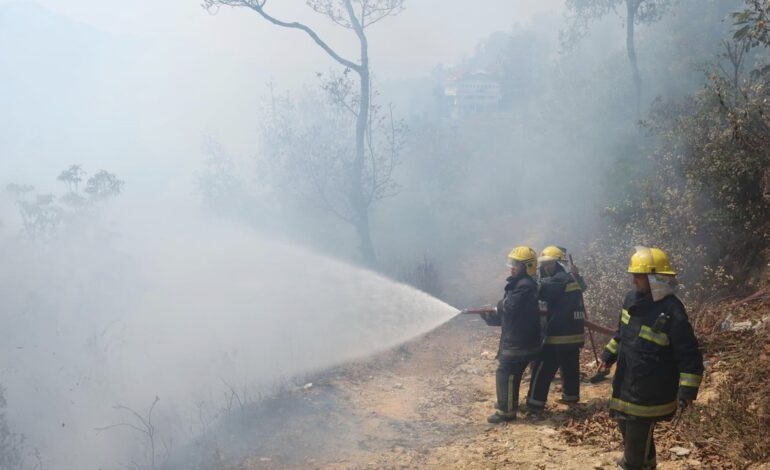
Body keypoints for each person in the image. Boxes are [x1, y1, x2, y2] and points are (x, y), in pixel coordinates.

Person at [597, 247, 704, 470]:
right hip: (626, 382)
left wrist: (687, 390)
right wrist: (608, 356)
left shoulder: (671, 309)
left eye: (639, 275)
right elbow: (621, 335)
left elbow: (688, 352)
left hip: (651, 390)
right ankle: (648, 464)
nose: (634, 280)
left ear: (654, 277)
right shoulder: (630, 300)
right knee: (628, 431)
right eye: (633, 275)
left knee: (634, 449)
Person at [481, 246, 541, 424]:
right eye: (512, 263)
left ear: (528, 266)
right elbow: (509, 315)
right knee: (510, 375)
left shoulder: (525, 286)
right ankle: (509, 404)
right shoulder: (518, 284)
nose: (512, 267)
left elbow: (510, 307)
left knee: (505, 372)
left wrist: (498, 306)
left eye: (516, 264)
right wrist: (491, 318)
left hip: (519, 342)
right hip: (517, 339)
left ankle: (506, 411)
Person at [527, 246, 586, 412]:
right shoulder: (572, 278)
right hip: (575, 333)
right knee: (570, 365)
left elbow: (538, 290)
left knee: (543, 368)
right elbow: (583, 287)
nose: (546, 268)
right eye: (544, 264)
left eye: (550, 264)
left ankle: (534, 404)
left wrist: (527, 278)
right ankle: (571, 396)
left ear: (559, 263)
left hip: (559, 335)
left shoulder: (557, 280)